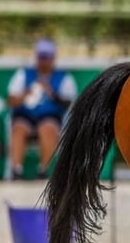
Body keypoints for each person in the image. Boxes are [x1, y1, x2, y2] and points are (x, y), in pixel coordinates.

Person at [6, 38, 78, 180]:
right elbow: (11, 100)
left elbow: (69, 103)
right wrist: (25, 94)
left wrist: (51, 93)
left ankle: (42, 170)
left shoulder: (63, 77)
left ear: (53, 58)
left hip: (49, 117)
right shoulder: (23, 74)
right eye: (41, 57)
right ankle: (16, 171)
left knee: (47, 128)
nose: (43, 61)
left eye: (47, 57)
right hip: (25, 116)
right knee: (18, 128)